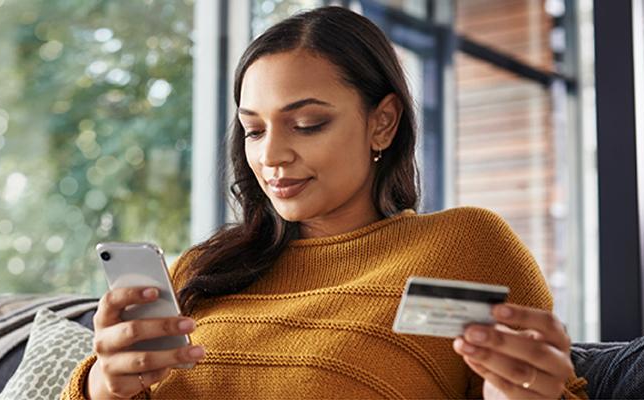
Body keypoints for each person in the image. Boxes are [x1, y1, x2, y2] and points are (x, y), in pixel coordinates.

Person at [64, 6, 588, 399]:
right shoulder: (204, 269)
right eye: (253, 130)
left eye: (308, 123)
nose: (269, 155)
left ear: (382, 122)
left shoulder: (465, 247)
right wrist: (105, 387)